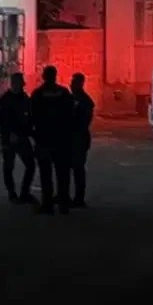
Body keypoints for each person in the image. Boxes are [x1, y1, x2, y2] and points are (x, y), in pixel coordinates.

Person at [29, 65, 74, 215]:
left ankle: (47, 205)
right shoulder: (64, 93)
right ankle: (63, 204)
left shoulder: (37, 94)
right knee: (63, 174)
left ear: (44, 76)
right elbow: (71, 115)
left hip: (44, 140)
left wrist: (34, 134)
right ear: (55, 76)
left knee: (45, 174)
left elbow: (32, 116)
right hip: (62, 140)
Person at [0, 72, 36, 204]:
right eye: (18, 83)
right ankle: (12, 193)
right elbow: (1, 120)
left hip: (22, 136)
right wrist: (10, 133)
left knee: (30, 165)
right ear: (13, 83)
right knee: (9, 166)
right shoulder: (4, 100)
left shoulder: (24, 98)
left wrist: (30, 132)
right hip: (9, 138)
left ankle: (24, 193)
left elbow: (29, 117)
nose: (21, 85)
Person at [66, 72, 95, 209]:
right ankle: (66, 195)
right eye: (71, 82)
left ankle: (79, 198)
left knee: (78, 169)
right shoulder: (71, 98)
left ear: (80, 84)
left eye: (74, 82)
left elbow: (83, 123)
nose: (71, 85)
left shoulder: (85, 101)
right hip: (71, 139)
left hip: (79, 139)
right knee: (68, 168)